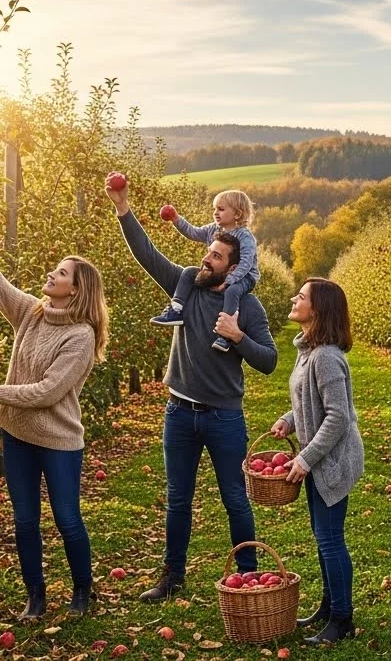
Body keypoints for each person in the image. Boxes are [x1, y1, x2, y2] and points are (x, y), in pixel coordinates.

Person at [104, 174, 279, 602]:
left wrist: (238, 337)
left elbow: (270, 361)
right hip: (178, 412)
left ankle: (250, 576)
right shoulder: (188, 289)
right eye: (208, 250)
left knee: (235, 500)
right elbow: (147, 254)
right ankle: (172, 575)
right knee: (177, 499)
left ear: (233, 266)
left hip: (223, 417)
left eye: (216, 255)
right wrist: (123, 208)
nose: (206, 259)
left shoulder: (246, 306)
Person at [0, 202, 108, 619]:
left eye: (61, 273)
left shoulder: (80, 337)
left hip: (58, 440)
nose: (51, 274)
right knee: (25, 521)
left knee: (67, 519)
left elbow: (47, 392)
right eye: (55, 269)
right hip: (17, 435)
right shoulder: (32, 311)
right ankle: (35, 598)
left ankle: (82, 592)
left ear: (75, 290)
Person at [269, 278, 364, 646]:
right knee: (322, 536)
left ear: (318, 309)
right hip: (319, 458)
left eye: (302, 297)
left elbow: (338, 416)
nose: (295, 299)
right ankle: (329, 606)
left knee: (330, 539)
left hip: (333, 461)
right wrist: (289, 419)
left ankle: (342, 619)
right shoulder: (309, 350)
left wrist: (305, 459)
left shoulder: (325, 356)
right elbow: (310, 402)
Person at [151, 190, 259, 354]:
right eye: (214, 209)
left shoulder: (245, 237)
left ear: (237, 214)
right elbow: (193, 232)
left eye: (221, 209)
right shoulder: (213, 229)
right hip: (219, 274)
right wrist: (176, 219)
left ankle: (225, 335)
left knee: (232, 292)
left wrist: (230, 279)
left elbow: (246, 263)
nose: (216, 213)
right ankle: (176, 310)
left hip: (245, 276)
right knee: (188, 272)